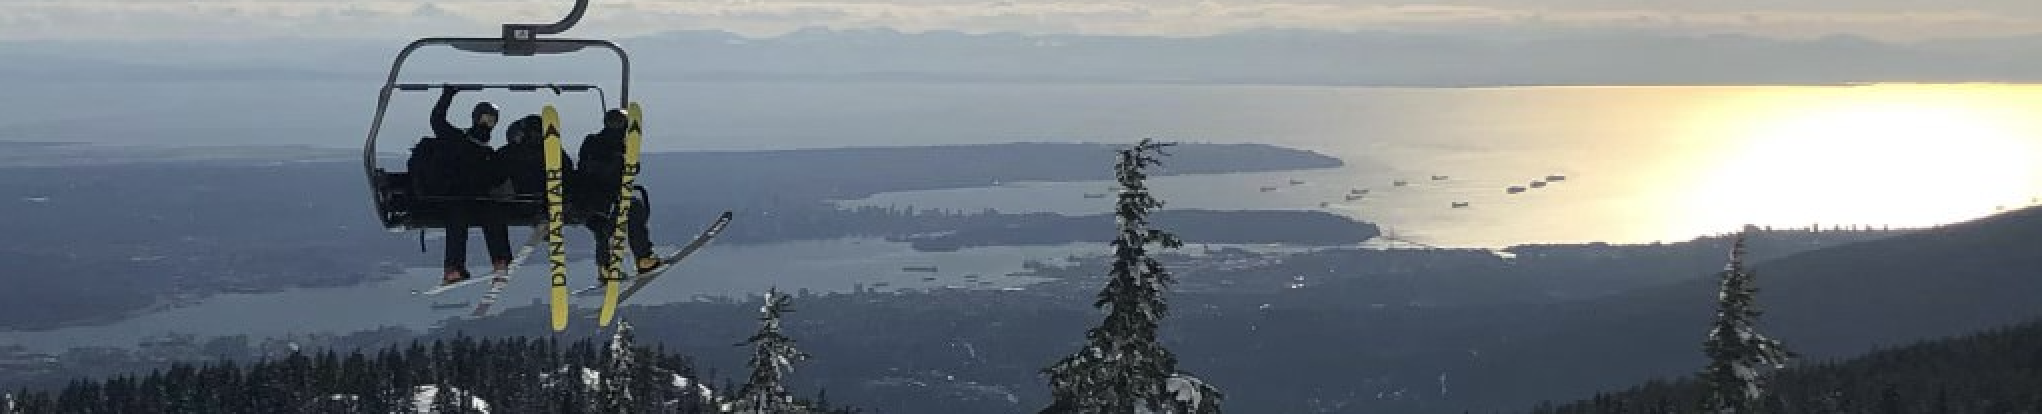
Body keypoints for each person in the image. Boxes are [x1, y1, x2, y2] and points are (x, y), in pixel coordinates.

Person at [413, 85, 511, 285]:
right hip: (450, 198)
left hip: (477, 199)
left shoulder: (488, 154)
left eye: (491, 120)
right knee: (458, 219)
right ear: (476, 119)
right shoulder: (456, 139)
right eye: (484, 118)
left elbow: (498, 180)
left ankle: (500, 261)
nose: (487, 123)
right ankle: (453, 268)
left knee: (493, 215)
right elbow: (437, 121)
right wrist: (447, 95)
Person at [570, 108, 662, 276]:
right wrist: (620, 163)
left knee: (618, 218)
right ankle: (635, 259)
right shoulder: (603, 144)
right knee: (611, 220)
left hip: (597, 198)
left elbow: (626, 169)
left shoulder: (608, 144)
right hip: (594, 197)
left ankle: (617, 264)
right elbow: (593, 169)